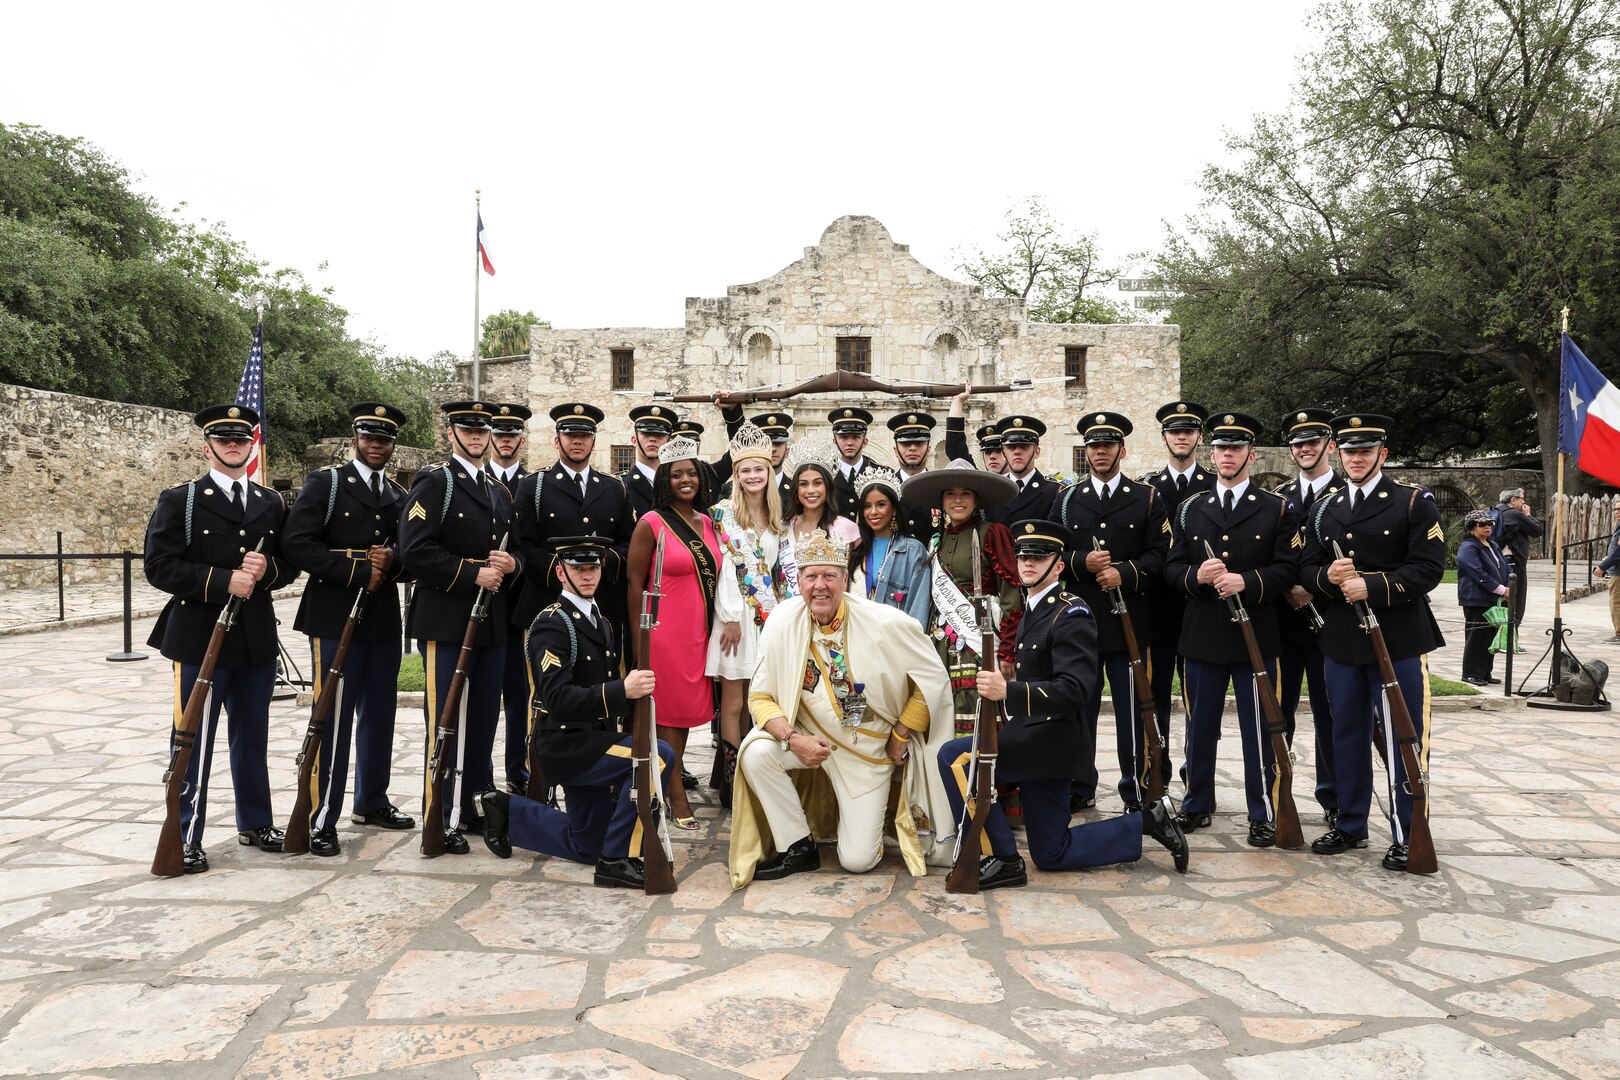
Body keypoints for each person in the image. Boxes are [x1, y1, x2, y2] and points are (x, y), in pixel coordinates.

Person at [938, 519, 1188, 890]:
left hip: (1049, 740)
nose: (1027, 563)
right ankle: (1148, 821)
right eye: (1023, 556)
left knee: (954, 758)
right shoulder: (1033, 609)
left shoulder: (1071, 613)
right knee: (1052, 852)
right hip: (1035, 737)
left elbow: (1076, 689)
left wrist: (1010, 691)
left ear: (1057, 566)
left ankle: (1005, 859)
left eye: (1038, 558)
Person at [728, 528, 957, 886]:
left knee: (857, 861)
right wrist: (791, 738)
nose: (820, 586)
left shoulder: (886, 622)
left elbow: (932, 681)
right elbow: (759, 697)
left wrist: (901, 732)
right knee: (755, 754)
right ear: (799, 581)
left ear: (845, 579)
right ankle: (798, 845)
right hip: (807, 742)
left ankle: (874, 825)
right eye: (811, 577)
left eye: (829, 576)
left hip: (867, 754)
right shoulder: (782, 621)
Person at [145, 404, 299, 872]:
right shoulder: (182, 500)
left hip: (253, 640)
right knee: (192, 740)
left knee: (252, 737)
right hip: (198, 639)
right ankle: (186, 833)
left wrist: (267, 570)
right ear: (207, 445)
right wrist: (221, 579)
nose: (234, 446)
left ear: (252, 445)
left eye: (241, 439)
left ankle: (255, 822)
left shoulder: (270, 502)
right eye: (224, 439)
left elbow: (289, 564)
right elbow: (159, 565)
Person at [475, 536, 673, 889]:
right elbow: (558, 698)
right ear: (560, 573)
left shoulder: (601, 621)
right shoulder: (553, 624)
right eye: (578, 568)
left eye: (593, 568)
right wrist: (622, 689)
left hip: (594, 741)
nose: (587, 575)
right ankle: (616, 859)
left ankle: (507, 811)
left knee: (586, 846)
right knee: (656, 758)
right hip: (567, 745)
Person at [1302, 413, 1446, 872]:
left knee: (1404, 737)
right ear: (1338, 455)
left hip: (1398, 640)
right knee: (1345, 734)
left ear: (1382, 453)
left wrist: (1375, 585)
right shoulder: (1325, 507)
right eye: (1348, 451)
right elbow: (1304, 569)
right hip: (1342, 642)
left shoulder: (1411, 502)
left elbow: (1428, 569)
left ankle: (1409, 831)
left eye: (1365, 450)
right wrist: (1326, 576)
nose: (1356, 458)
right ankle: (1351, 823)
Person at [281, 402, 414, 856]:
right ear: (355, 439)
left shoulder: (397, 495)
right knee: (332, 717)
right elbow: (297, 543)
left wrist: (392, 561)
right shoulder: (328, 484)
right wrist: (358, 569)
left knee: (380, 713)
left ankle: (371, 800)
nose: (377, 445)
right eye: (370, 437)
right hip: (334, 614)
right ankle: (320, 815)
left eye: (385, 439)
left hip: (381, 618)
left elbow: (407, 553)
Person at [1166, 413, 1301, 848]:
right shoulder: (1192, 508)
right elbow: (1170, 569)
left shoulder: (1277, 508)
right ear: (1211, 452)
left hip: (1257, 635)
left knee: (1260, 727)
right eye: (1221, 448)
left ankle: (1261, 808)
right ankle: (1196, 802)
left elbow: (1288, 569)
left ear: (1251, 454)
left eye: (1236, 448)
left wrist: (1248, 581)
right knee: (1199, 726)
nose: (1227, 455)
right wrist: (1196, 577)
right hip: (1203, 634)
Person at [400, 401, 523, 852]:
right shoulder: (436, 484)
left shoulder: (496, 489)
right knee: (447, 721)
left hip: (490, 626)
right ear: (450, 432)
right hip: (447, 623)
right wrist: (472, 574)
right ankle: (439, 814)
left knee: (485, 721)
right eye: (467, 428)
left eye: (483, 429)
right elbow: (414, 550)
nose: (477, 435)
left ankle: (472, 805)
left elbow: (517, 549)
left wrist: (513, 563)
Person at [1055, 412, 1170, 812]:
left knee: (1133, 712)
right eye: (1093, 446)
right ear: (1086, 451)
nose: (1100, 452)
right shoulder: (1067, 499)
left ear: (1123, 450)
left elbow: (1161, 556)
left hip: (1131, 624)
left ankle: (1135, 787)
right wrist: (1080, 562)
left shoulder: (1147, 497)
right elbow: (1051, 553)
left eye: (1107, 445)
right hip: (1081, 625)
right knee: (1078, 711)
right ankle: (1079, 784)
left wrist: (1126, 573)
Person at [626, 435, 723, 830]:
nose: (686, 480)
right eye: (677, 474)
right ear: (665, 480)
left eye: (692, 473)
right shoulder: (651, 523)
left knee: (684, 713)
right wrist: (639, 638)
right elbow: (634, 582)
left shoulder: (711, 522)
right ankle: (674, 792)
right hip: (662, 631)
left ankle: (666, 777)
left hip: (699, 630)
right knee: (665, 711)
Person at [899, 461, 1021, 737]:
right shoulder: (936, 540)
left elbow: (1012, 592)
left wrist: (1008, 649)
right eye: (950, 493)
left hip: (980, 639)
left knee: (981, 710)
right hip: (941, 642)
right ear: (941, 500)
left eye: (965, 493)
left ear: (976, 499)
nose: (957, 500)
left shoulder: (992, 532)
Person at [707, 423, 785, 807]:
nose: (753, 476)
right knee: (733, 698)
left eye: (759, 469)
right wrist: (733, 615)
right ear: (735, 476)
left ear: (769, 473)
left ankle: (757, 766)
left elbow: (776, 572)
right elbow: (725, 569)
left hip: (766, 617)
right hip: (735, 617)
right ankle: (731, 776)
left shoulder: (775, 516)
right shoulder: (723, 514)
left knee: (761, 696)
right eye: (745, 471)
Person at [1272, 407, 1344, 826]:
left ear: (1329, 447)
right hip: (1282, 622)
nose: (1304, 449)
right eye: (1297, 443)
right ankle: (1276, 794)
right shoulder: (1279, 497)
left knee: (1330, 716)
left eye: (1312, 442)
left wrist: (1312, 586)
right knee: (1277, 716)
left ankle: (1332, 798)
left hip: (1330, 622)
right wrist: (1287, 586)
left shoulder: (1345, 492)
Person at [1143, 401, 1214, 796]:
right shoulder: (1148, 487)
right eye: (1174, 431)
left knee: (1198, 702)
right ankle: (1157, 772)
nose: (1181, 437)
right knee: (1154, 699)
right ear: (1165, 438)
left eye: (1188, 430)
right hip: (1156, 610)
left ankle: (1196, 777)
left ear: (1199, 437)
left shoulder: (1213, 486)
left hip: (1200, 608)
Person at [485, 403, 535, 795]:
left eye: (512, 433)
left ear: (522, 439)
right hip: (479, 605)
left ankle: (518, 772)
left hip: (521, 606)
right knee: (482, 699)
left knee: (521, 696)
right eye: (499, 432)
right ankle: (481, 774)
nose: (505, 439)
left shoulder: (533, 485)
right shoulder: (470, 479)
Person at [779, 437, 861, 597]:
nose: (810, 490)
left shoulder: (845, 528)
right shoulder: (783, 527)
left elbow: (845, 580)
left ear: (828, 487)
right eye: (804, 484)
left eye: (817, 483)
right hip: (788, 612)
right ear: (796, 489)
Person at [853, 467, 931, 628]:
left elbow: (919, 609)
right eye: (867, 506)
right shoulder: (856, 550)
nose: (873, 512)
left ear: (894, 509)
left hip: (896, 639)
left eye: (881, 504)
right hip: (860, 636)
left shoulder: (913, 551)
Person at [1457, 509, 1511, 685]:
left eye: (1490, 524)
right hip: (1477, 598)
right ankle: (1471, 673)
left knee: (1490, 636)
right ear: (1472, 527)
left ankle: (1485, 672)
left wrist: (1510, 586)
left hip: (1494, 599)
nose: (1487, 527)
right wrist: (1501, 590)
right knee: (1477, 637)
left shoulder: (1493, 545)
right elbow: (1476, 573)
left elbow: (1505, 567)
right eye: (1482, 525)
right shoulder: (1468, 547)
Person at [1493, 487, 1543, 646]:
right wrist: (1528, 515)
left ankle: (1499, 636)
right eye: (1522, 499)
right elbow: (1536, 530)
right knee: (1517, 600)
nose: (1524, 502)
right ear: (1513, 500)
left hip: (1497, 562)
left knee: (1502, 599)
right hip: (1514, 563)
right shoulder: (1514, 514)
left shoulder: (1493, 511)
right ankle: (1509, 639)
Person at [988, 415, 1057, 524]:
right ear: (1003, 454)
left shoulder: (1054, 491)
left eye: (1024, 446)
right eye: (1011, 447)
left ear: (1037, 452)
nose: (1017, 452)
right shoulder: (993, 492)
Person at [887, 411, 939, 540]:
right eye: (905, 443)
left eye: (919, 443)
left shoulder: (939, 487)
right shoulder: (886, 487)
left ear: (928, 449)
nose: (912, 448)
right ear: (895, 450)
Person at [622, 404, 676, 522]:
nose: (653, 439)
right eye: (646, 434)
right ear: (634, 440)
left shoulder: (677, 483)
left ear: (669, 443)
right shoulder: (621, 487)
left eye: (660, 435)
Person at [828, 407, 877, 522]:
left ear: (865, 441)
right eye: (843, 437)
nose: (849, 443)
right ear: (834, 440)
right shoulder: (824, 473)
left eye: (855, 437)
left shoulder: (878, 473)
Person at [749, 411, 796, 506]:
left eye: (778, 444)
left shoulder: (797, 491)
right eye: (767, 444)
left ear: (787, 451)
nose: (773, 449)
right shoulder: (735, 489)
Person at [1597, 502, 1620, 641]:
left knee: (1616, 601)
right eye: (1615, 509)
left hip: (1618, 572)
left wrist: (1602, 566)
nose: (1616, 512)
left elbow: (1617, 553)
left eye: (1619, 509)